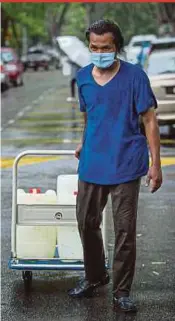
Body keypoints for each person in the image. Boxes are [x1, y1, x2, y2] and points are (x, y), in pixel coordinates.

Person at [68, 20, 162, 313]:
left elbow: (149, 119)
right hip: (92, 161)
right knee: (86, 222)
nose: (99, 52)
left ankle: (122, 291)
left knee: (124, 230)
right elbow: (89, 116)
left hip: (126, 162)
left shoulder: (135, 77)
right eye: (94, 48)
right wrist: (85, 142)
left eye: (105, 47)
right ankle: (96, 276)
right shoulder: (83, 77)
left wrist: (156, 164)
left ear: (117, 47)